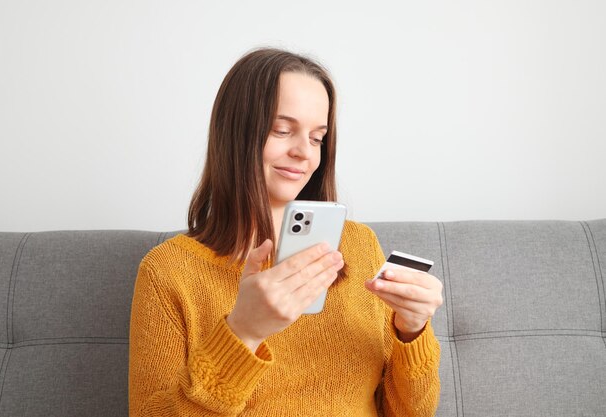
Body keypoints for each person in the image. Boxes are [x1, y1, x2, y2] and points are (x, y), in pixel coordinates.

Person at [129, 47, 443, 416]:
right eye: (282, 130)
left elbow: (410, 413)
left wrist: (411, 331)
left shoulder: (358, 245)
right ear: (235, 134)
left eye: (317, 138)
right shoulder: (168, 272)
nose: (304, 154)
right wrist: (242, 332)